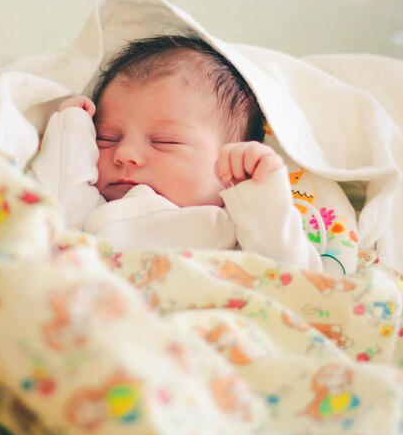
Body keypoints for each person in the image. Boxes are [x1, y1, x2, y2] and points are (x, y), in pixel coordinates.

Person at [29, 35, 358, 274]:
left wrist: (260, 198)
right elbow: (52, 197)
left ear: (226, 165)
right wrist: (71, 129)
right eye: (106, 137)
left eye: (164, 141)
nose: (125, 153)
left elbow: (296, 279)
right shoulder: (88, 212)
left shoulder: (237, 230)